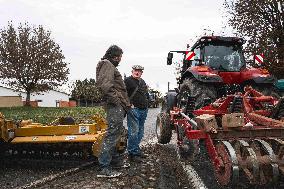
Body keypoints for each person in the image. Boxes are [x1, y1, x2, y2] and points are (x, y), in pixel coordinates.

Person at [96, 45, 131, 178]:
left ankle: (115, 162)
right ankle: (104, 167)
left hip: (118, 105)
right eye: (120, 57)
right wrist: (116, 102)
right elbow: (105, 86)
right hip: (114, 105)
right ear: (114, 56)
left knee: (117, 133)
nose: (120, 59)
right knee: (112, 134)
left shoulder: (110, 65)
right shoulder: (107, 64)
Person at [124, 65, 149, 162]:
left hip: (144, 109)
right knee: (133, 132)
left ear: (142, 72)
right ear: (132, 71)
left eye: (139, 71)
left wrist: (148, 103)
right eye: (135, 70)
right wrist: (128, 104)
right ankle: (132, 153)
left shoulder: (142, 81)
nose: (137, 72)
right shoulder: (127, 81)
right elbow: (122, 93)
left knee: (140, 132)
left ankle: (136, 150)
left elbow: (145, 93)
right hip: (134, 110)